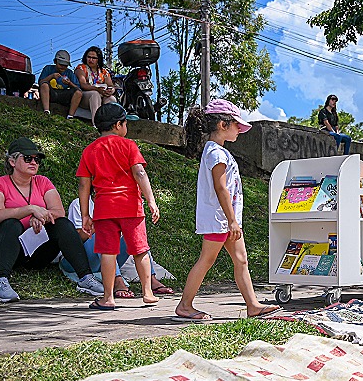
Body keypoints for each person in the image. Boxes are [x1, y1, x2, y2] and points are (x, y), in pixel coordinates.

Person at [175, 99, 280, 321]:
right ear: (223, 125)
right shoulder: (216, 153)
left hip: (226, 219)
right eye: (236, 126)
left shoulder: (217, 151)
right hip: (220, 219)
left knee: (241, 259)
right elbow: (220, 187)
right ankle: (184, 305)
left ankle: (252, 305)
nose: (239, 131)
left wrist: (233, 220)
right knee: (206, 259)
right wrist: (232, 220)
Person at [0, 137, 104, 303]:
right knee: (11, 224)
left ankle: (86, 277)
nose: (34, 162)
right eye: (28, 158)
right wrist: (30, 210)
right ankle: (1, 281)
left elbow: (58, 212)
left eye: (37, 159)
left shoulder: (43, 182)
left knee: (62, 224)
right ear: (12, 161)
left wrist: (39, 217)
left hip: (32, 248)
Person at [77, 103, 160, 310]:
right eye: (125, 123)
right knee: (140, 250)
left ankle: (108, 297)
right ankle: (148, 293)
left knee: (108, 252)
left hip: (104, 209)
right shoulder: (129, 145)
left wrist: (86, 214)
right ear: (118, 125)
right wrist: (151, 200)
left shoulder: (89, 151)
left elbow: (83, 184)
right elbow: (140, 173)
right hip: (131, 207)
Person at [61, 197, 174, 298]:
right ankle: (117, 281)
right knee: (104, 233)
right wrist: (99, 224)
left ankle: (151, 281)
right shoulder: (79, 204)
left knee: (136, 234)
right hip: (80, 259)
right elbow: (74, 241)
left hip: (106, 259)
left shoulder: (119, 204)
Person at [75, 46, 116, 123]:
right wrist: (97, 89)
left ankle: (109, 125)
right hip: (84, 96)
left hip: (101, 96)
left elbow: (111, 85)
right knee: (95, 94)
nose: (90, 60)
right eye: (89, 57)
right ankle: (96, 124)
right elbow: (83, 84)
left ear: (98, 59)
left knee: (111, 99)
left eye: (93, 58)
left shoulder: (104, 72)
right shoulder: (81, 68)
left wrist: (111, 91)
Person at [38, 50, 82, 119]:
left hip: (63, 95)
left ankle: (70, 116)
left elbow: (78, 88)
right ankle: (46, 110)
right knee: (44, 85)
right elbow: (41, 83)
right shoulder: (48, 68)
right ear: (55, 62)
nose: (63, 67)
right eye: (61, 64)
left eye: (65, 65)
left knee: (78, 93)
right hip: (51, 93)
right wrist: (51, 76)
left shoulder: (69, 73)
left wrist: (70, 83)